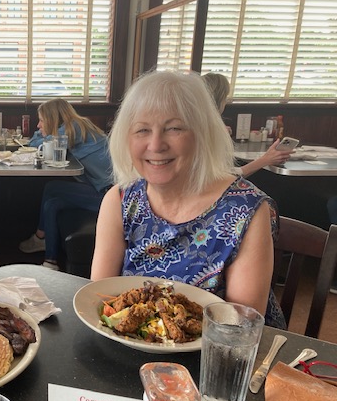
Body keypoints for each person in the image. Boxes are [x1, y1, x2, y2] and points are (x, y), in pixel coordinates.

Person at [91, 70, 286, 329]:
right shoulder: (121, 199)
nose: (156, 145)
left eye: (174, 128)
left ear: (202, 134)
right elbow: (101, 299)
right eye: (142, 130)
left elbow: (240, 324)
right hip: (130, 343)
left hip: (224, 348)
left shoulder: (247, 210)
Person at [19, 98, 112, 270]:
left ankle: (39, 237)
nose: (39, 125)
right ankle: (50, 261)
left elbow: (35, 145)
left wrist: (40, 134)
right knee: (52, 203)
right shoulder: (79, 125)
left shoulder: (73, 128)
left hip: (111, 195)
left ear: (53, 119)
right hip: (101, 190)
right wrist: (44, 132)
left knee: (52, 187)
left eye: (42, 120)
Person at [201, 72, 294, 176]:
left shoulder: (200, 126)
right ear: (218, 100)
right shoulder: (209, 132)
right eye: (225, 98)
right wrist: (266, 159)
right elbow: (226, 176)